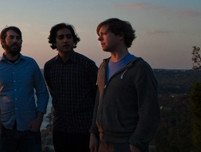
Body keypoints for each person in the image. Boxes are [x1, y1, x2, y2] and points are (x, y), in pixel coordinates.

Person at [89, 18, 160, 152]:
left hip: (126, 144)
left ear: (120, 35)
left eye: (104, 34)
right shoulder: (103, 67)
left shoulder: (139, 69)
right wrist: (93, 132)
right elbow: (98, 102)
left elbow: (150, 111)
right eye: (99, 35)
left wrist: (136, 142)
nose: (99, 38)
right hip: (102, 143)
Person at [0, 26, 48, 152]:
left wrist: (39, 120)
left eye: (18, 38)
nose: (15, 41)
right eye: (11, 37)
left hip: (29, 129)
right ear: (2, 41)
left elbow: (42, 92)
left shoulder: (31, 64)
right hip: (4, 130)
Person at [43, 23, 97, 152]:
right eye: (61, 37)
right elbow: (53, 92)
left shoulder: (87, 65)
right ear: (54, 42)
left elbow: (98, 97)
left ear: (74, 40)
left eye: (68, 37)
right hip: (60, 129)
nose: (65, 40)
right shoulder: (49, 66)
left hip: (84, 129)